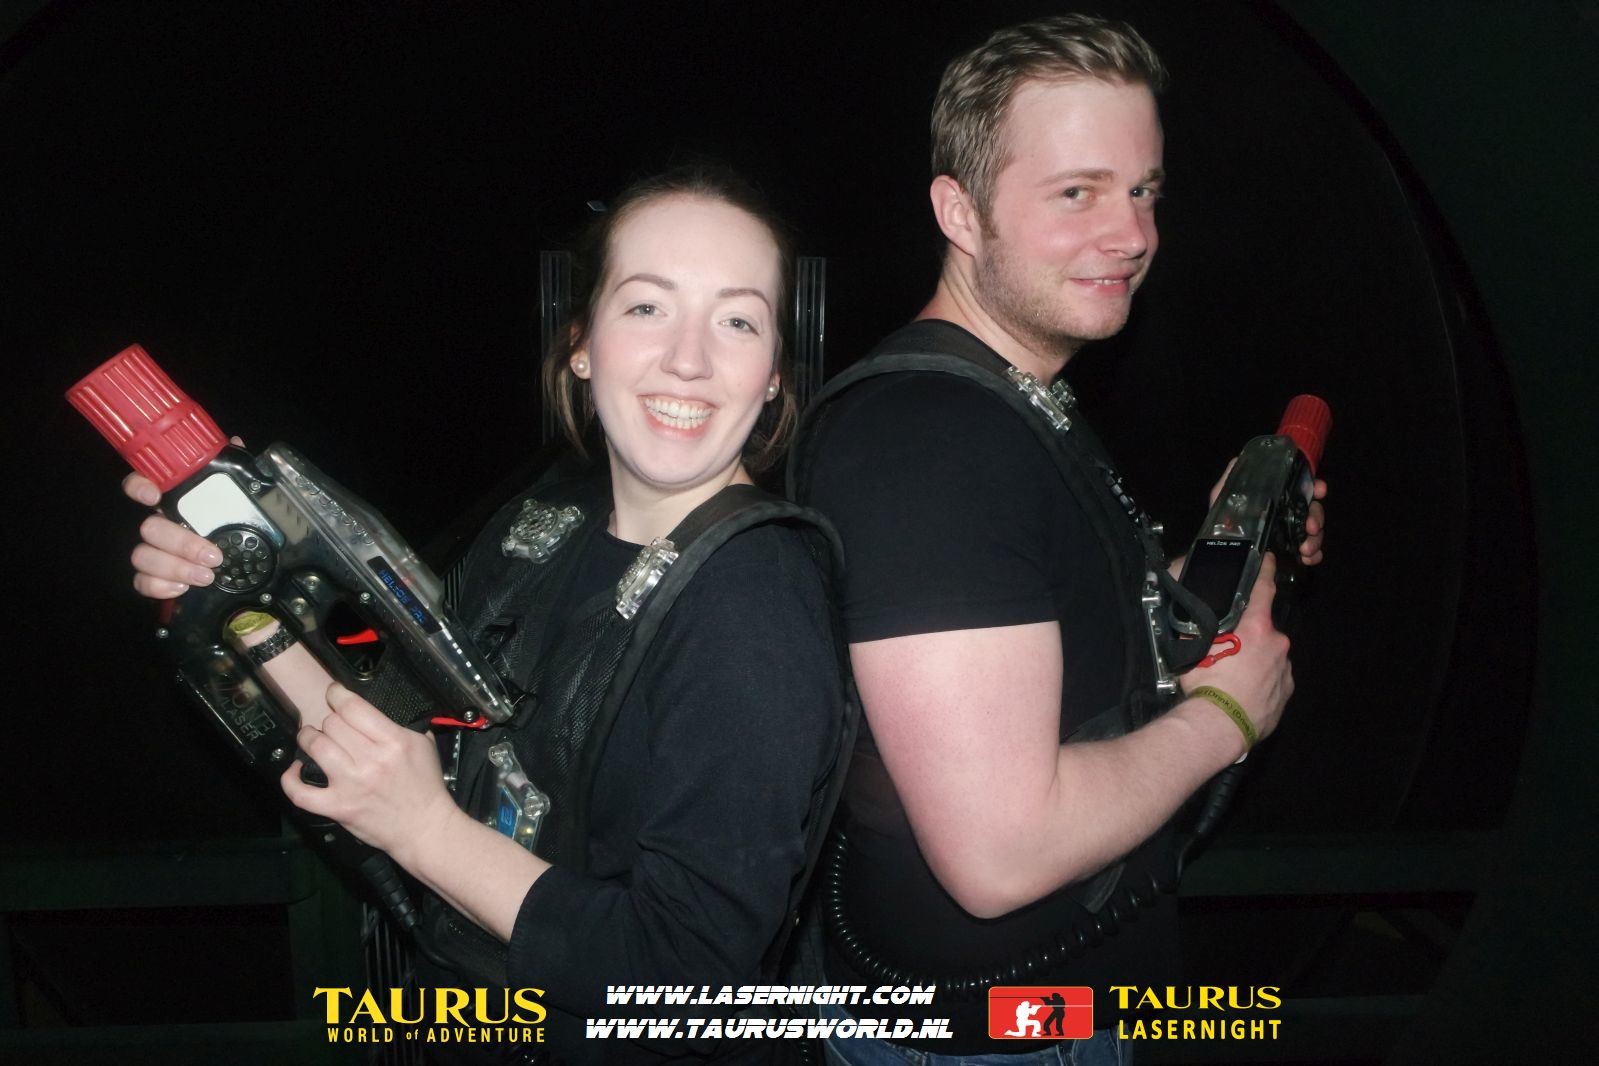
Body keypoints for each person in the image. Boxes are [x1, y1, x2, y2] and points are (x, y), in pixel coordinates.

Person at [124, 166, 847, 1063]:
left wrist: (426, 832)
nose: (688, 359)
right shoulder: (541, 527)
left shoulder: (751, 599)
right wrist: (234, 602)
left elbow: (687, 981)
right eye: (646, 307)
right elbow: (390, 746)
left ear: (772, 375)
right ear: (581, 346)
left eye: (737, 320)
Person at [787, 15, 1327, 1063]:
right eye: (1077, 192)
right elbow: (1000, 853)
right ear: (960, 210)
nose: (1132, 235)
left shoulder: (1011, 401)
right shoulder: (928, 442)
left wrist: (1227, 554)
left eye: (1145, 191)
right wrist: (1226, 714)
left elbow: (1057, 625)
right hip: (992, 1042)